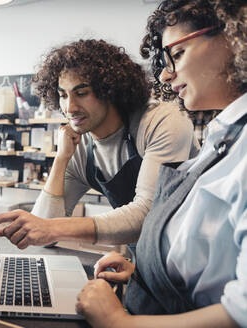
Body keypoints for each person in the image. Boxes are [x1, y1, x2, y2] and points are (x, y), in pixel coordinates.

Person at [75, 0, 247, 327]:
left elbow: (241, 313)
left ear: (234, 36)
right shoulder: (225, 135)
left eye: (178, 54)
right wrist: (146, 273)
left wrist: (118, 322)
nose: (167, 75)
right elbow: (214, 257)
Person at [0, 39, 200, 249]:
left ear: (110, 90)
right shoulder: (79, 147)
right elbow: (43, 236)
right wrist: (61, 159)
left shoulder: (162, 121)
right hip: (148, 259)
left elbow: (148, 213)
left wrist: (54, 228)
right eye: (62, 96)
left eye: (81, 93)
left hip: (194, 257)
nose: (69, 108)